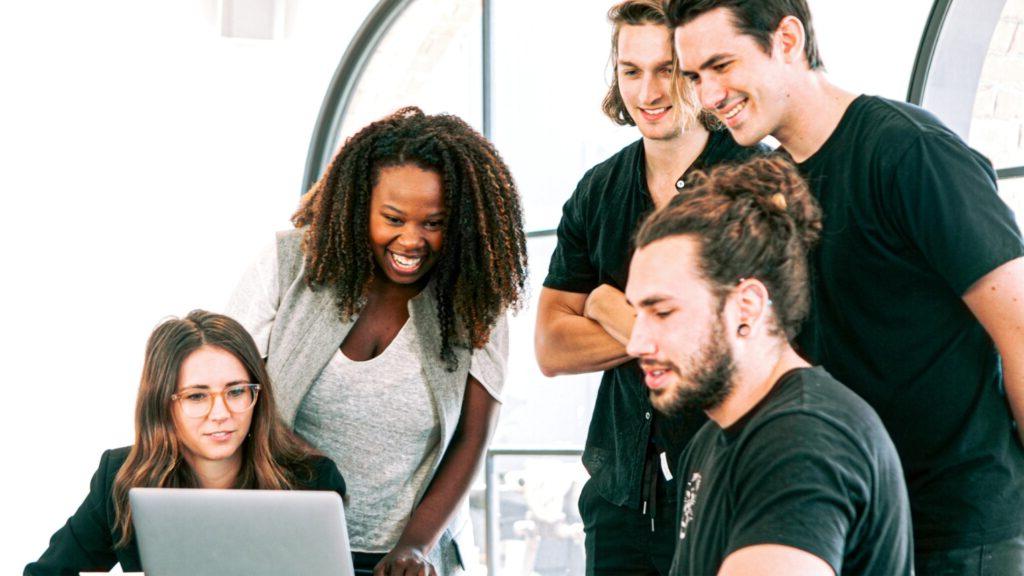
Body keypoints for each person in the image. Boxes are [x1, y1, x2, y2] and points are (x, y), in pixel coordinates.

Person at [666, 1, 1024, 572]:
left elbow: (1021, 331)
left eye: (721, 65)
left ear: (787, 39)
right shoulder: (767, 183)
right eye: (695, 77)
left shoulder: (909, 151)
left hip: (956, 532)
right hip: (849, 522)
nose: (708, 96)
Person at [227, 106, 527, 576]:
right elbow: (229, 398)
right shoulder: (288, 264)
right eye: (393, 218)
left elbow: (472, 439)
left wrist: (415, 548)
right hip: (279, 543)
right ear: (357, 205)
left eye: (434, 223)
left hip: (404, 558)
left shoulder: (476, 302)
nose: (412, 240)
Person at [534, 1, 765, 573]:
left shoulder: (755, 180)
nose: (648, 92)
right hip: (620, 500)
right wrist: (670, 329)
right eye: (631, 71)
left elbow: (746, 340)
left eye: (667, 69)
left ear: (697, 71)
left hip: (729, 492)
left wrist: (607, 305)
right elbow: (551, 347)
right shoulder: (597, 190)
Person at [626, 155, 912, 575]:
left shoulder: (805, 439)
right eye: (636, 313)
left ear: (747, 306)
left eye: (663, 312)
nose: (636, 342)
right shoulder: (707, 446)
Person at [25, 310, 346, 575]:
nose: (220, 413)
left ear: (256, 396)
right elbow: (47, 573)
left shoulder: (313, 480)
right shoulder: (120, 478)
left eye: (236, 391)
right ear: (164, 404)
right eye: (196, 396)